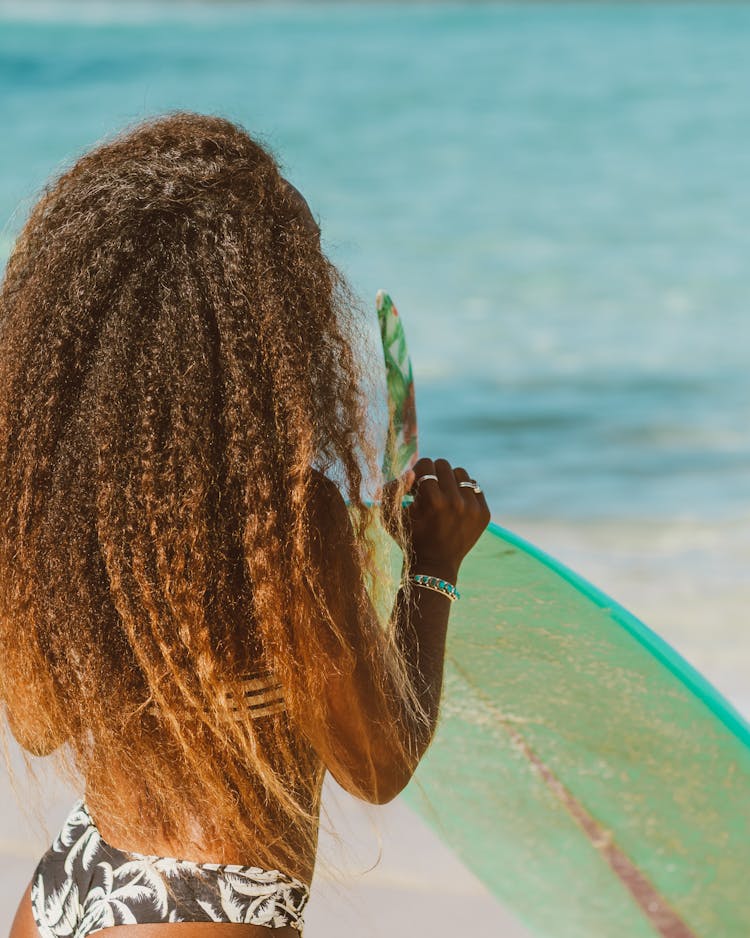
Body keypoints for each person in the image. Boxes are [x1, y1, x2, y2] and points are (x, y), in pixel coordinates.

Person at [0, 112, 490, 938]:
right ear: (263, 326)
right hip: (210, 906)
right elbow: (376, 763)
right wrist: (431, 568)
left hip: (74, 875)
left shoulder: (72, 506)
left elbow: (40, 725)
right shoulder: (293, 522)